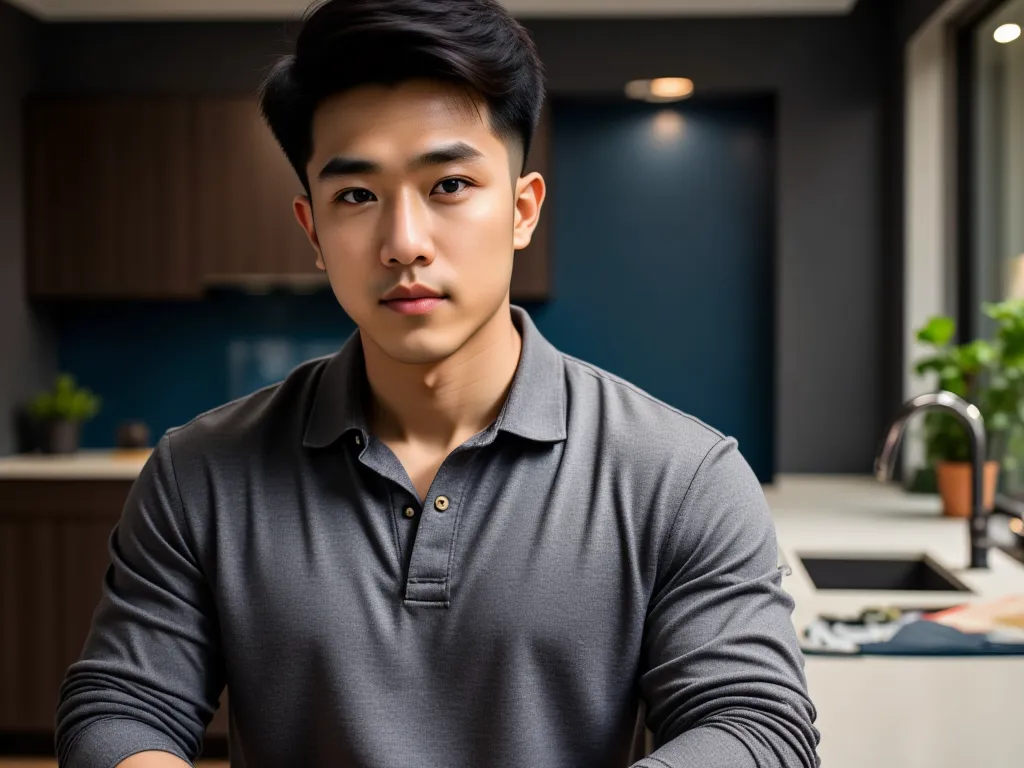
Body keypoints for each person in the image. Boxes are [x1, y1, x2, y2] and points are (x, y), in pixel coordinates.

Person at [55, 1, 820, 766]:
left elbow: (757, 727)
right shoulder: (200, 472)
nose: (403, 243)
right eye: (356, 195)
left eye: (449, 184)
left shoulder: (682, 476)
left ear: (522, 210)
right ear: (313, 229)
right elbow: (121, 708)